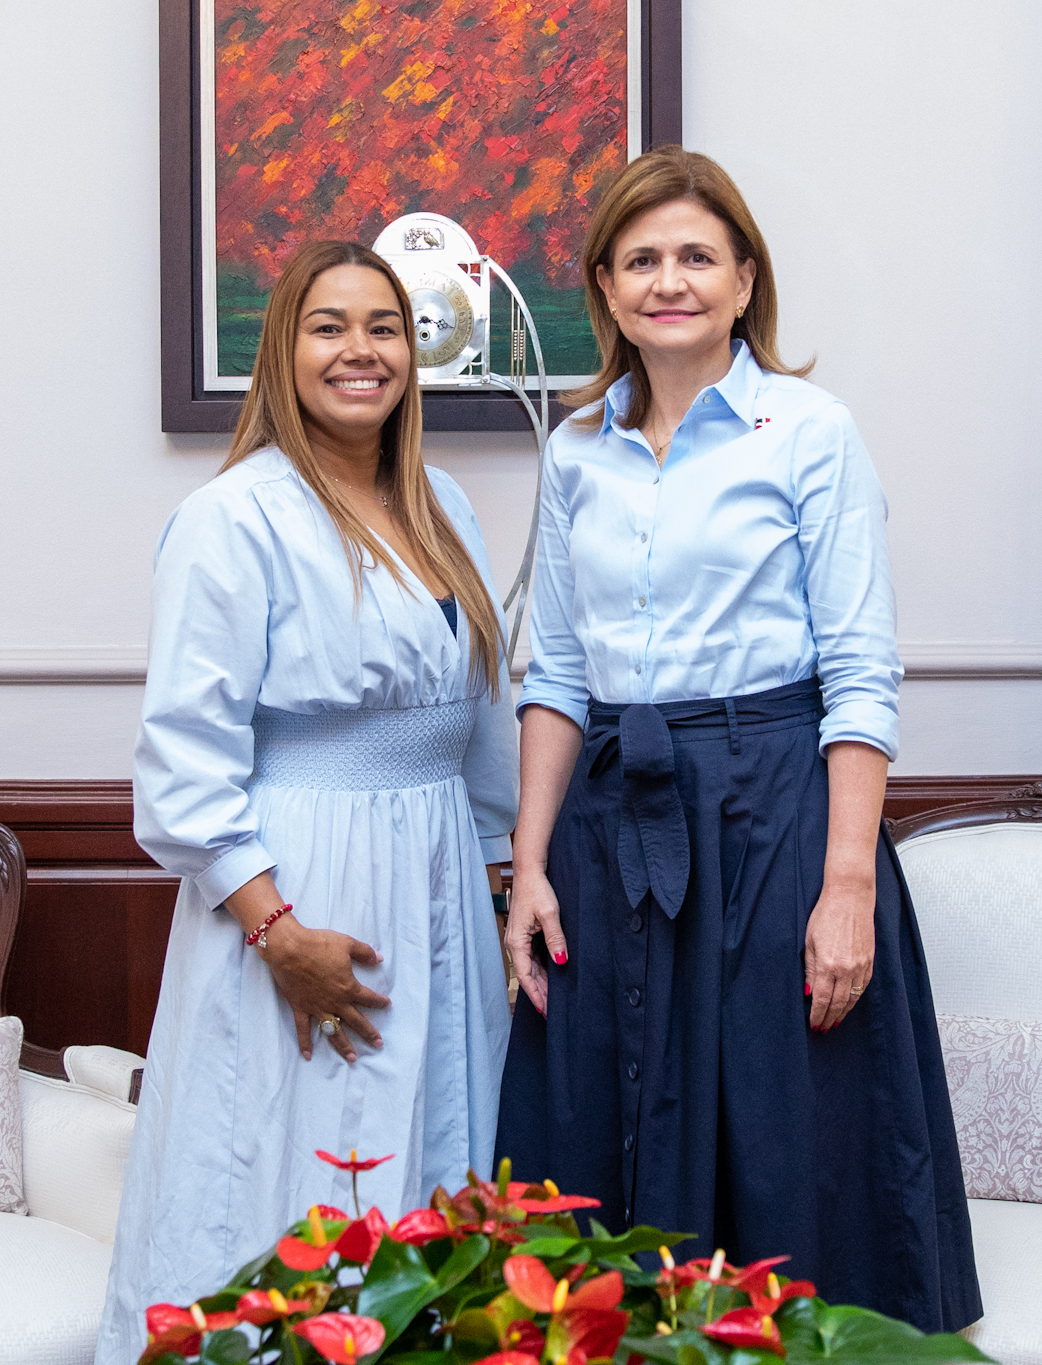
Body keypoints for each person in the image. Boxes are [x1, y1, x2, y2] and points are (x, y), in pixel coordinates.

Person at [495, 147, 981, 1332]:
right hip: (611, 826)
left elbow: (857, 674)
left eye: (696, 257)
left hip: (774, 817)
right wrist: (529, 867)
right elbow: (556, 674)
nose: (669, 281)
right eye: (640, 260)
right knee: (602, 1129)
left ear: (743, 279)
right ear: (605, 288)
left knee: (781, 1127)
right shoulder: (573, 451)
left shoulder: (808, 433)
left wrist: (847, 888)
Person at [97, 240, 518, 1364]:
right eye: (328, 327)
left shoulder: (442, 505)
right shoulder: (232, 518)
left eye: (383, 327)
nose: (359, 350)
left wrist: (496, 884)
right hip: (299, 886)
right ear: (282, 350)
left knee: (434, 1151)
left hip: (439, 880)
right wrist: (277, 934)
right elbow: (184, 759)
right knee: (295, 1163)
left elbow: (482, 718)